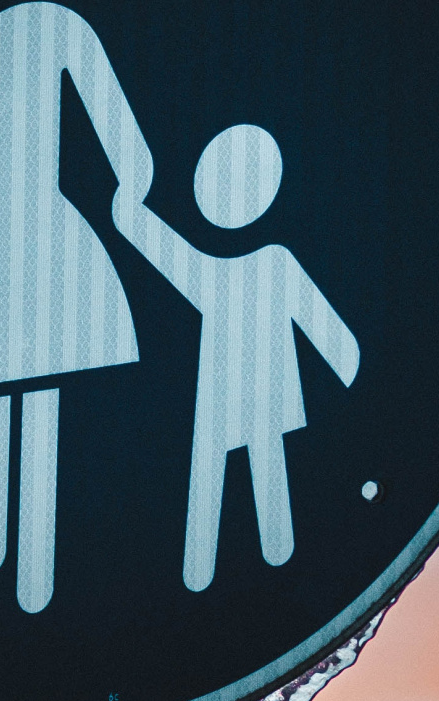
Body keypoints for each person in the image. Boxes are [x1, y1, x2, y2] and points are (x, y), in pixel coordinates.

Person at [0, 2, 154, 613]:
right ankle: (15, 563)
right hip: (40, 223)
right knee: (32, 387)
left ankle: (9, 558)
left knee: (10, 385)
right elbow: (123, 138)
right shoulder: (59, 32)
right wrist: (131, 183)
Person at [114, 124, 360, 591]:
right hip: (223, 394)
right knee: (212, 474)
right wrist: (132, 219)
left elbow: (325, 326)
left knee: (262, 470)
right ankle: (200, 574)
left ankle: (267, 561)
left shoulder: (273, 263)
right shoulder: (222, 273)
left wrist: (352, 372)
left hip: (264, 392)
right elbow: (173, 258)